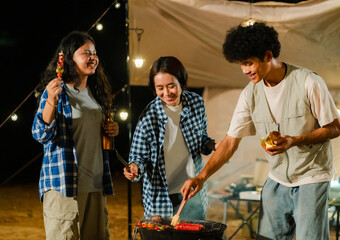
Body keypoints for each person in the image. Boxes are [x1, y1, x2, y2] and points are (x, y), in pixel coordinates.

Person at [180, 22, 340, 240]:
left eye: (249, 63)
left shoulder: (309, 81)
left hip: (312, 176)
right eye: (241, 64)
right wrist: (201, 177)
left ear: (268, 55)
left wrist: (295, 140)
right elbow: (229, 142)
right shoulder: (249, 94)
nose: (245, 70)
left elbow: (334, 128)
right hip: (276, 178)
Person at [32, 31, 119, 240]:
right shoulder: (55, 92)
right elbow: (39, 134)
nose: (93, 57)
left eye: (95, 53)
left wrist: (111, 130)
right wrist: (51, 102)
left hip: (96, 184)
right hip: (64, 186)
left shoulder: (96, 94)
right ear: (69, 58)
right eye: (85, 53)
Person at [123, 56, 216, 220]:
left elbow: (200, 140)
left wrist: (211, 145)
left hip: (192, 191)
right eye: (160, 88)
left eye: (171, 86)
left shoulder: (196, 103)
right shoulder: (149, 117)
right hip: (160, 197)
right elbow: (138, 157)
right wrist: (134, 168)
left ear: (181, 82)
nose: (166, 93)